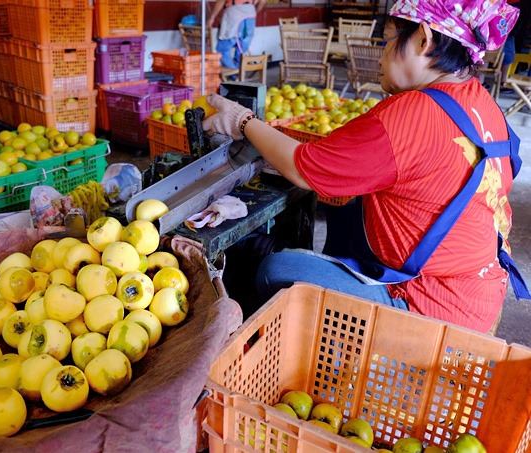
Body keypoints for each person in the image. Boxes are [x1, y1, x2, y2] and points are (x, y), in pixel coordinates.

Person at [202, 0, 528, 333]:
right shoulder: (481, 100)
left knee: (277, 268)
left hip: (428, 309)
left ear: (423, 39)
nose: (381, 56)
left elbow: (303, 170)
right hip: (481, 297)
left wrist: (242, 121)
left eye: (387, 42)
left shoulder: (412, 113)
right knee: (351, 212)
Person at [208, 0, 267, 69]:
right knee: (242, 48)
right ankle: (238, 72)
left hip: (234, 14)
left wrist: (212, 17)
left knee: (222, 48)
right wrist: (253, 11)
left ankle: (233, 72)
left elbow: (221, 1)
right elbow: (263, 1)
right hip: (250, 15)